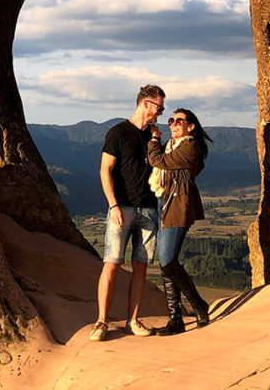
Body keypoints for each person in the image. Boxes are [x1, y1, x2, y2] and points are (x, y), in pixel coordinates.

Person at [89, 84, 166, 342]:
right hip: (121, 208)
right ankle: (102, 322)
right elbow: (105, 170)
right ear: (145, 104)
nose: (160, 113)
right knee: (111, 264)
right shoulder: (118, 132)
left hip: (148, 209)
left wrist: (156, 140)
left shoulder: (153, 137)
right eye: (159, 107)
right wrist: (113, 205)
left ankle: (132, 321)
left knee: (141, 267)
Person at [147, 107, 212, 335]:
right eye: (172, 120)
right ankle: (175, 319)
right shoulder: (175, 146)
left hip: (177, 206)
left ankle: (199, 305)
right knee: (166, 265)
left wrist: (154, 139)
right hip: (165, 202)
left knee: (167, 261)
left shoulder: (189, 146)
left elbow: (156, 160)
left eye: (179, 121)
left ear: (190, 126)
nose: (173, 124)